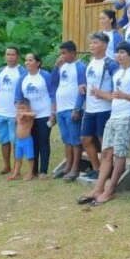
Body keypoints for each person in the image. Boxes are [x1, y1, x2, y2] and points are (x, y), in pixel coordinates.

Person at [77, 41, 130, 205]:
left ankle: (110, 190)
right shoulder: (117, 73)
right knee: (106, 152)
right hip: (114, 116)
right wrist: (100, 93)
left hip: (128, 117)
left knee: (119, 154)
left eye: (122, 52)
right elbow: (115, 96)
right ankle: (98, 188)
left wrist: (125, 96)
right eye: (117, 52)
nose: (118, 56)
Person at [80, 32, 119, 180]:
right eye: (91, 43)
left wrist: (102, 94)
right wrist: (83, 86)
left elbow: (118, 88)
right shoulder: (90, 61)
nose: (92, 45)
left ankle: (106, 170)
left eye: (95, 43)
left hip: (104, 109)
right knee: (86, 139)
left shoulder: (111, 63)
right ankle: (97, 168)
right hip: (90, 108)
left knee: (105, 141)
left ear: (104, 45)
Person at [52, 41, 87, 180]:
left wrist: (77, 108)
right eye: (61, 53)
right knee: (66, 139)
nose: (62, 56)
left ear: (73, 53)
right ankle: (67, 165)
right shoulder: (62, 66)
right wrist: (56, 67)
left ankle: (75, 167)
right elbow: (52, 82)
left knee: (75, 139)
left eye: (64, 53)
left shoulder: (80, 67)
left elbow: (82, 89)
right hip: (61, 108)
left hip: (72, 108)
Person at [17, 52, 55, 178]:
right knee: (32, 143)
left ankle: (43, 171)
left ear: (38, 63)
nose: (27, 62)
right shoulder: (23, 78)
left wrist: (52, 113)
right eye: (26, 60)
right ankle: (32, 171)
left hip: (43, 114)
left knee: (43, 142)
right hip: (28, 117)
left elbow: (52, 95)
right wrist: (20, 113)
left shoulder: (45, 76)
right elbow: (18, 97)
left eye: (31, 60)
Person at [0, 46, 27, 176]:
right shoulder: (1, 71)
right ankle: (6, 165)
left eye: (12, 55)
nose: (10, 57)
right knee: (4, 140)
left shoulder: (22, 71)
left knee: (15, 141)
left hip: (14, 113)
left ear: (17, 56)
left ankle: (16, 167)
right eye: (7, 54)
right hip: (1, 111)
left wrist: (21, 111)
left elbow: (24, 94)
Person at [10, 101, 36, 181]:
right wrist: (18, 116)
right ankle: (15, 173)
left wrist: (25, 114)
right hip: (18, 141)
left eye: (23, 108)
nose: (21, 110)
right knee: (18, 158)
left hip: (27, 141)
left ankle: (30, 173)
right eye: (19, 108)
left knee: (30, 158)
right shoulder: (17, 116)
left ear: (28, 108)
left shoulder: (29, 117)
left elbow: (34, 114)